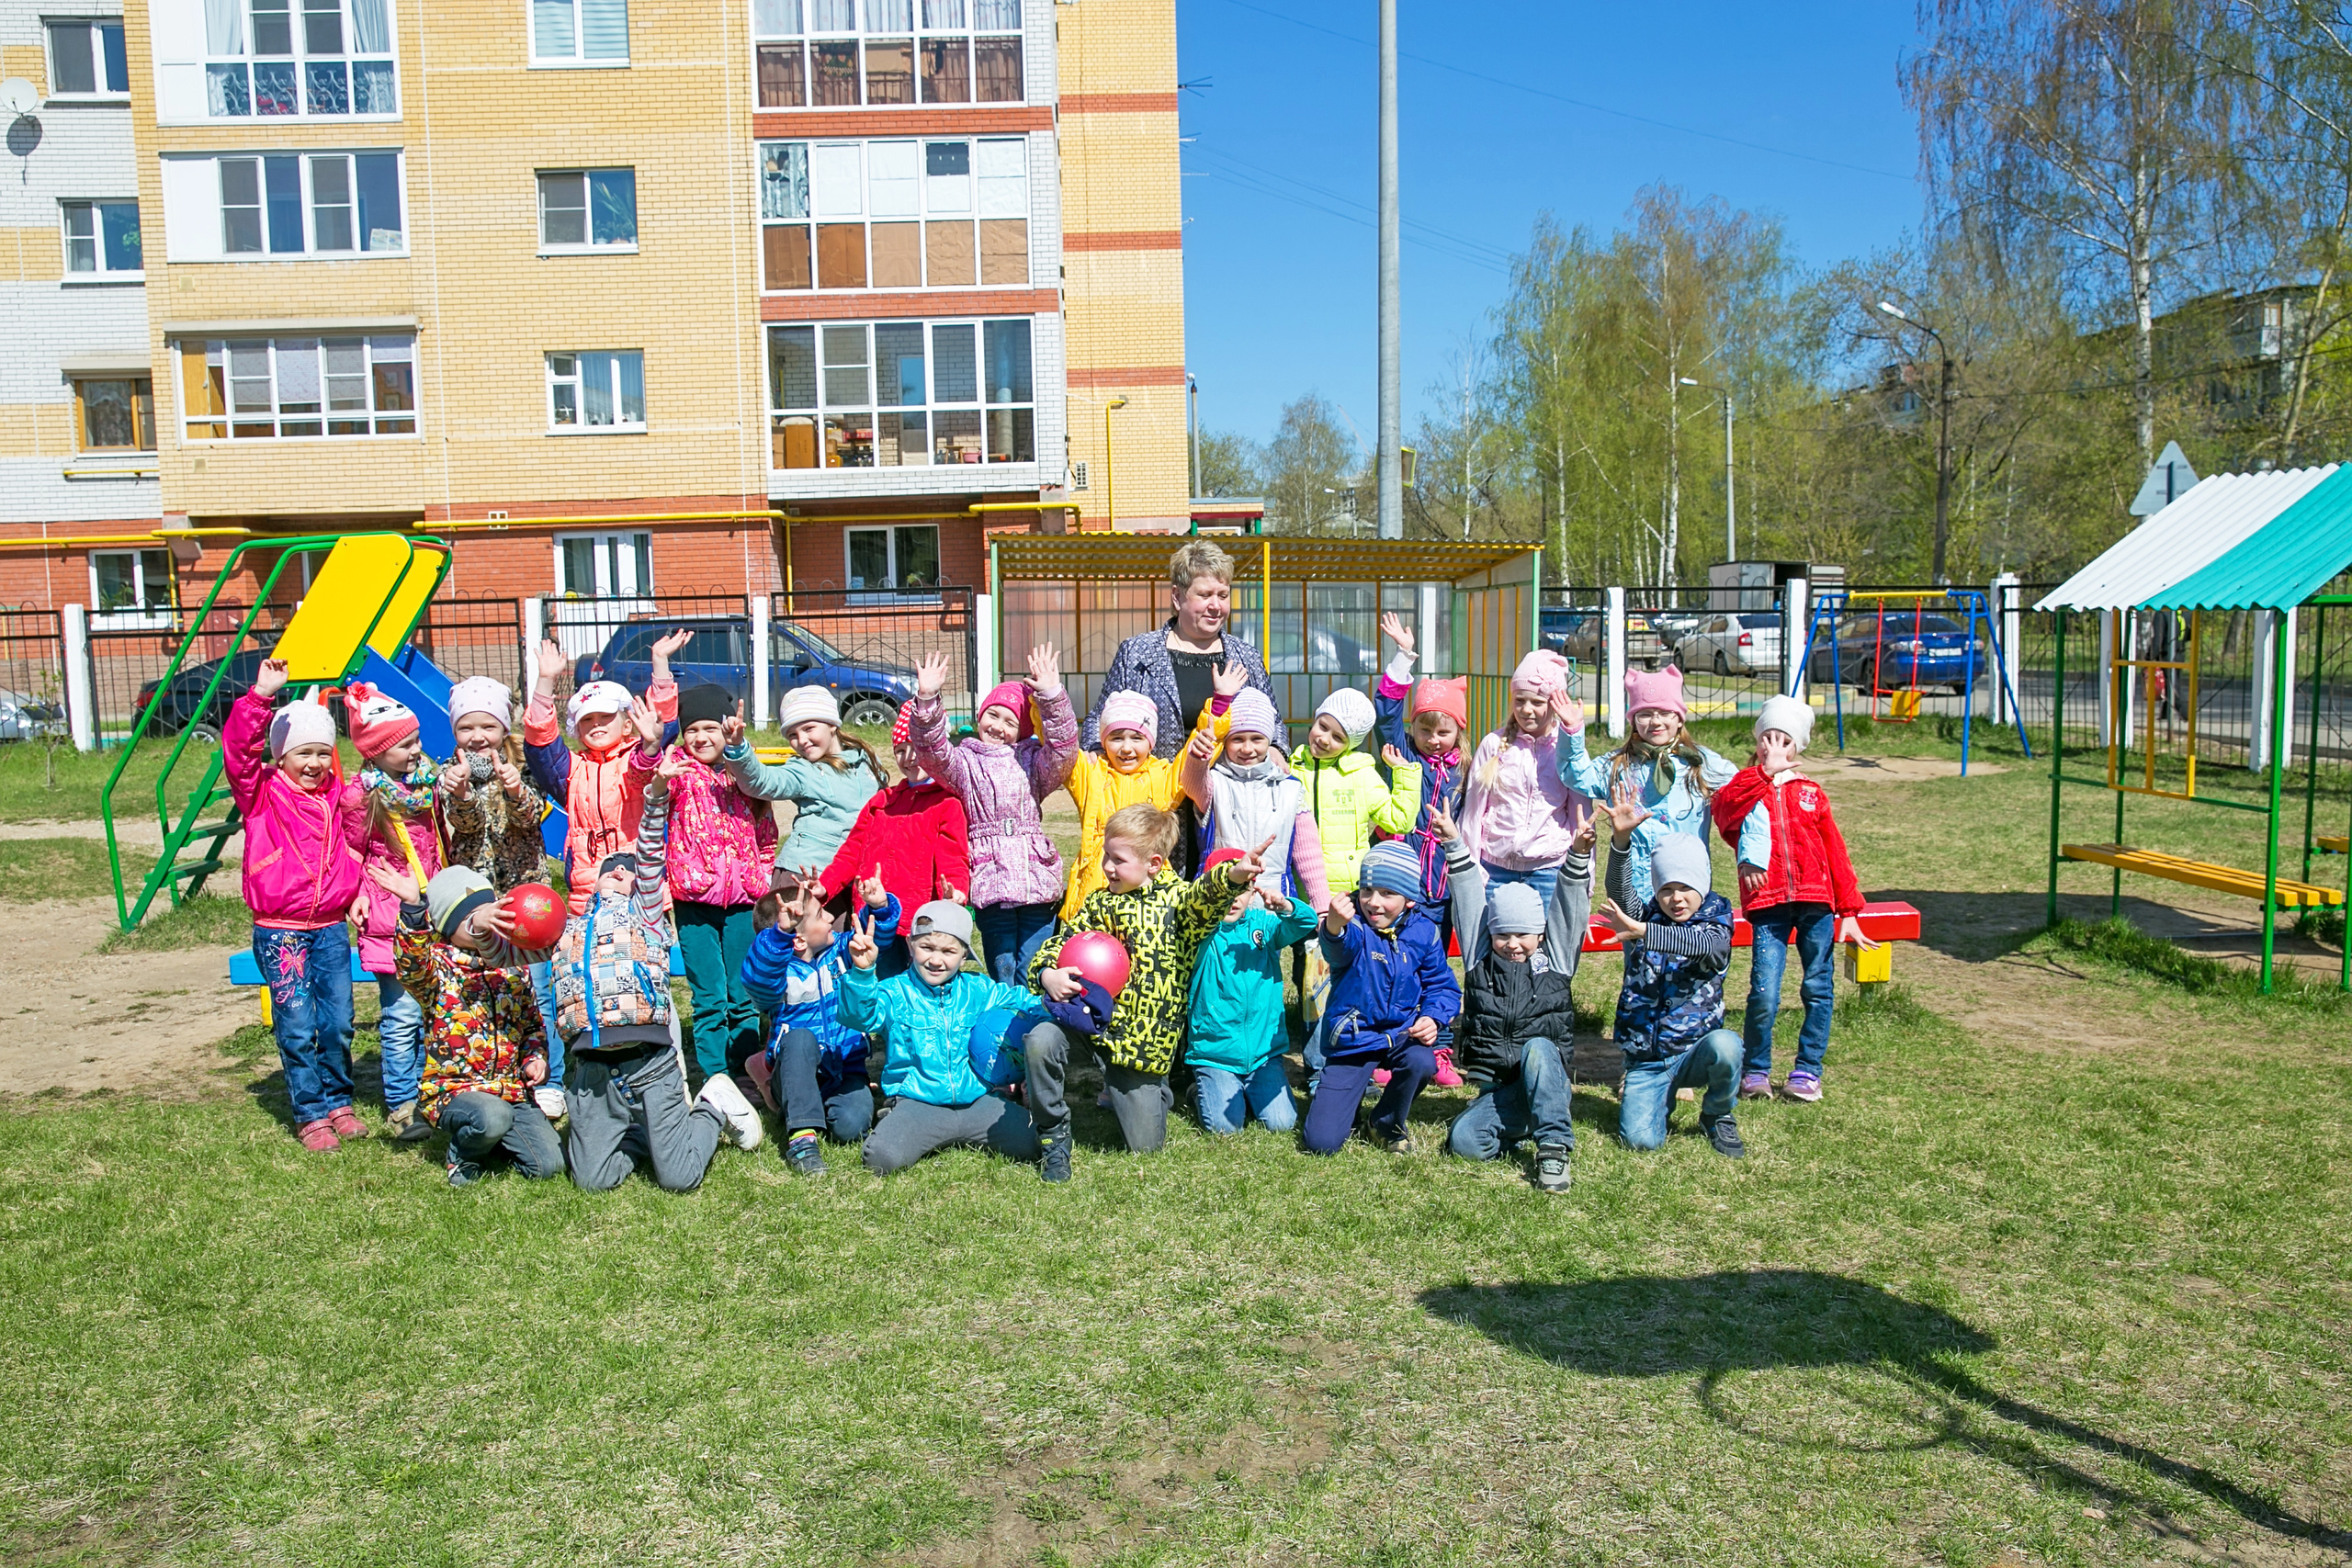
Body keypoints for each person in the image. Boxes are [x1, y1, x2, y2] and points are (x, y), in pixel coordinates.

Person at [554, 753, 764, 1191]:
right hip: (591, 1068)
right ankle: (639, 1134)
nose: (619, 876)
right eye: (609, 872)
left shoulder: (646, 916)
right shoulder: (568, 928)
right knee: (592, 1182)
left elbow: (649, 853)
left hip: (648, 1061)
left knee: (680, 1178)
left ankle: (712, 1106)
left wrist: (654, 797)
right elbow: (513, 950)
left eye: (627, 874)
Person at [1026, 806, 1269, 1179]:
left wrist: (1233, 876)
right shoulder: (1099, 902)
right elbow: (1059, 944)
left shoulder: (1180, 906)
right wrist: (1047, 974)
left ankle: (1156, 1091)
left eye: (1118, 860)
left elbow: (1206, 896)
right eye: (1106, 854)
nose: (1107, 866)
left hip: (1138, 1048)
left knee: (1144, 1149)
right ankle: (1053, 1135)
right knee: (1040, 1039)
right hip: (1087, 1024)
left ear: (1154, 863)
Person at [223, 660, 369, 1152]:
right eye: (302, 753)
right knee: (298, 1021)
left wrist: (354, 896)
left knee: (339, 1021)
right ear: (282, 757)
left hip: (329, 928)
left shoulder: (336, 796)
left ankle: (338, 1101)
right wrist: (261, 697)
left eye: (323, 754)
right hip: (280, 929)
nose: (313, 764)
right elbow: (240, 752)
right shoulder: (261, 793)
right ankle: (310, 1112)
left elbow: (353, 846)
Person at [1710, 694, 1876, 1104]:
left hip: (1816, 902)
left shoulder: (1811, 793)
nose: (1774, 746)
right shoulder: (1746, 788)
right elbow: (1723, 814)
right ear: (1757, 742)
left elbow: (1834, 849)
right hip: (1768, 904)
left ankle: (1807, 1071)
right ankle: (1757, 1071)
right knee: (1764, 992)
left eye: (1784, 740)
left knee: (1817, 988)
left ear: (1798, 747)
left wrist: (1850, 910)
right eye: (1767, 737)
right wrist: (1763, 776)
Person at [368, 862, 563, 1187]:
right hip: (453, 1091)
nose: (485, 923)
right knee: (491, 1116)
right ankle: (464, 1154)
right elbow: (410, 964)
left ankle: (492, 1139)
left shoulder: (512, 969)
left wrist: (535, 1058)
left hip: (510, 1091)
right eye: (471, 918)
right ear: (448, 927)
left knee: (548, 1166)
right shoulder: (436, 972)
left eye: (490, 913)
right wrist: (414, 908)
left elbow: (531, 1025)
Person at [836, 900, 1056, 1177]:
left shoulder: (978, 989)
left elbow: (1024, 1002)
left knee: (1041, 1142)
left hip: (978, 1103)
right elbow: (858, 1016)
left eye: (949, 951)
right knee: (881, 1158)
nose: (936, 960)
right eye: (926, 948)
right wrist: (863, 972)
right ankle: (897, 1118)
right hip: (918, 1104)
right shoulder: (894, 992)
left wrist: (1057, 1005)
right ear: (910, 945)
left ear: (964, 956)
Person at [1437, 809, 1592, 1194]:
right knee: (1465, 1143)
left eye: (1523, 934)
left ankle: (1553, 1146)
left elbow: (1568, 909)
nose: (1513, 944)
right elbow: (1470, 899)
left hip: (1543, 1080)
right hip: (1498, 1088)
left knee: (1540, 1048)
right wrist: (1455, 845)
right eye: (1503, 934)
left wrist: (1577, 857)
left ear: (1539, 934)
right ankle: (1518, 1123)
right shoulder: (1480, 961)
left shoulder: (1555, 961)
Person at [905, 643, 1080, 985]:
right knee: (1002, 966)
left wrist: (1051, 695)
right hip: (991, 878)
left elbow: (1064, 750)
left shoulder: (1033, 760)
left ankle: (1035, 1026)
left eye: (1011, 721)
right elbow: (931, 752)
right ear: (979, 716)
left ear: (1024, 730)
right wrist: (926, 700)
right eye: (993, 715)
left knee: (1035, 963)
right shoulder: (964, 762)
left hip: (1035, 880)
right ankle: (1004, 1027)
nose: (998, 726)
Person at [436, 675, 562, 1120]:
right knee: (485, 982)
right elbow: (464, 828)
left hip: (526, 891)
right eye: (466, 728)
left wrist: (514, 788)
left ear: (503, 729)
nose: (477, 737)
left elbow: (534, 819)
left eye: (487, 727)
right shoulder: (449, 771)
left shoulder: (524, 766)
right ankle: (493, 1071)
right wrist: (463, 794)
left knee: (539, 986)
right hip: (479, 897)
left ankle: (551, 1078)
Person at [1288, 683, 1422, 1082]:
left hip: (1349, 898)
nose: (1324, 739)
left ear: (1352, 744)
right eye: (1322, 726)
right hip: (1301, 896)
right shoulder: (1291, 768)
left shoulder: (1363, 776)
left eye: (1337, 737)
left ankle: (1349, 1057)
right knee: (1312, 982)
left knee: (1346, 982)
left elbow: (1399, 820)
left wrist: (1404, 773)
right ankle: (1317, 1067)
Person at [1300, 840, 1461, 1156]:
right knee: (1321, 1143)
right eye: (1367, 891)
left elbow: (1442, 986)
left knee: (1422, 1061)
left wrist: (1432, 1017)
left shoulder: (1424, 932)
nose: (1374, 902)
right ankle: (1348, 1100)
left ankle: (1384, 1121)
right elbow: (1338, 948)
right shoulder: (1355, 925)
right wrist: (1333, 926)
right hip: (1354, 1040)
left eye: (1388, 894)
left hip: (1401, 1036)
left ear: (1410, 900)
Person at [1594, 830, 1745, 1158]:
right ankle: (1660, 1095)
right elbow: (1619, 891)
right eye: (1667, 889)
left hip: (1695, 1053)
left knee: (1728, 1046)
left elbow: (1702, 946)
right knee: (1640, 1142)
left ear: (1702, 886)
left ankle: (1717, 1114)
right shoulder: (1647, 916)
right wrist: (1620, 841)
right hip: (1648, 1059)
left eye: (1686, 888)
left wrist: (1645, 932)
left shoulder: (1716, 925)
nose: (1676, 899)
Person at [740, 875, 899, 1175]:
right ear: (798, 938)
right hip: (796, 1067)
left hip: (842, 1067)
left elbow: (870, 937)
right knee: (800, 1039)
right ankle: (801, 1139)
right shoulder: (777, 976)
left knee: (852, 1127)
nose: (830, 917)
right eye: (820, 914)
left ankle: (808, 1104)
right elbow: (756, 977)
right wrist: (780, 934)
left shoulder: (838, 953)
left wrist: (879, 908)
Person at [662, 684, 779, 1087]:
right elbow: (651, 788)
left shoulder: (742, 774)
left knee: (742, 993)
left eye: (710, 727)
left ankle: (748, 1071)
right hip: (693, 900)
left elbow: (765, 833)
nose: (701, 738)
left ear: (726, 729)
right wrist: (659, 774)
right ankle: (715, 1078)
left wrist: (761, 880)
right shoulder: (677, 771)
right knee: (708, 995)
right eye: (691, 729)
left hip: (744, 900)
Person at [804, 703, 970, 977]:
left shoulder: (946, 803)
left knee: (914, 988)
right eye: (900, 750)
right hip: (873, 917)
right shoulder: (882, 802)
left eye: (917, 748)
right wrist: (825, 886)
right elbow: (851, 853)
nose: (909, 757)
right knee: (873, 984)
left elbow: (953, 858)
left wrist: (955, 892)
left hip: (916, 921)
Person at [345, 682, 443, 1144]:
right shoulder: (363, 797)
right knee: (402, 1014)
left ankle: (432, 1092)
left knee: (434, 1009)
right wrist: (357, 895)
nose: (416, 751)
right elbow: (351, 852)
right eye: (405, 745)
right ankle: (403, 1102)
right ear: (378, 751)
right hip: (390, 917)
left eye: (417, 740)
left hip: (433, 911)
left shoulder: (424, 786)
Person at [523, 632, 681, 915]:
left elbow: (660, 727)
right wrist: (545, 681)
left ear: (627, 724)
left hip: (639, 880)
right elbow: (540, 745)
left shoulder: (638, 755)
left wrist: (660, 663)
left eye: (606, 717)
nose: (596, 725)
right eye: (587, 719)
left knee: (648, 954)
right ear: (577, 729)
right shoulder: (571, 768)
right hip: (588, 884)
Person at [1557, 665, 1734, 911]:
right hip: (1637, 892)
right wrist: (1572, 732)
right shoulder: (1619, 765)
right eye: (1645, 714)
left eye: (1665, 712)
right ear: (1633, 721)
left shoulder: (1701, 763)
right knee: (1640, 949)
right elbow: (1576, 775)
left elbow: (1743, 791)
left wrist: (1767, 773)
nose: (1655, 721)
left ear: (1680, 718)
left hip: (1687, 891)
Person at [1084, 539, 1276, 759]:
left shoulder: (1246, 656)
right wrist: (1095, 749)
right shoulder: (1136, 653)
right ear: (1177, 597)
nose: (1215, 606)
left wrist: (1276, 748)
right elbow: (1099, 718)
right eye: (1204, 595)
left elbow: (1274, 722)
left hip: (1228, 790)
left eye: (1223, 595)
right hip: (1155, 789)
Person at [1059, 682, 1230, 920]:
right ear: (1103, 740)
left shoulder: (1164, 776)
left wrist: (1220, 703)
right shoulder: (1090, 772)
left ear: (1151, 742)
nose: (1126, 748)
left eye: (1137, 737)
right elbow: (1060, 747)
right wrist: (1049, 695)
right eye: (1116, 737)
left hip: (1148, 896)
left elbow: (1199, 745)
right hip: (1093, 891)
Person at [1182, 850, 1317, 1135]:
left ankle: (1247, 1091)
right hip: (1215, 1054)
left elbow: (1306, 922)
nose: (1233, 900)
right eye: (1227, 890)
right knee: (1224, 1128)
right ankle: (1199, 1088)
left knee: (1282, 1123)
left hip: (1262, 1054)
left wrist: (1285, 906)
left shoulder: (1263, 926)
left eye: (1241, 890)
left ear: (1252, 891)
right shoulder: (1201, 931)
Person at [1458, 649, 1590, 911]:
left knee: (1547, 949)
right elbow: (1472, 814)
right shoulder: (1493, 745)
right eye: (1520, 700)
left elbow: (1581, 819)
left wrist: (1586, 878)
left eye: (1537, 702)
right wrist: (1472, 871)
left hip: (1549, 872)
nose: (1527, 710)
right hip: (1494, 871)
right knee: (1497, 949)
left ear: (1554, 704)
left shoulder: (1567, 752)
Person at [720, 685, 887, 888]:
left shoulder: (867, 762)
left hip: (855, 873)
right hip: (806, 873)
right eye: (792, 735)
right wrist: (738, 748)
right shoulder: (803, 770)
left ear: (832, 724)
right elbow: (761, 781)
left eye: (809, 729)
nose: (802, 741)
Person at [1188, 687, 1329, 914]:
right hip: (1218, 905)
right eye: (1237, 739)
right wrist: (1198, 756)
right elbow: (1192, 783)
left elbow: (1309, 855)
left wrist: (1322, 908)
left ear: (1269, 741)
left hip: (1271, 908)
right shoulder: (1214, 782)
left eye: (1257, 739)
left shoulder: (1291, 788)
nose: (1247, 748)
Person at [1373, 611, 1470, 920]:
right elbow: (1387, 714)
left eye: (1444, 732)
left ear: (1459, 732)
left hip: (1445, 881)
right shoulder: (1403, 753)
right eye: (1424, 730)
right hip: (1403, 877)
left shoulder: (1466, 768)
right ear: (1413, 726)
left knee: (1434, 955)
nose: (1432, 739)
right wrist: (1404, 656)